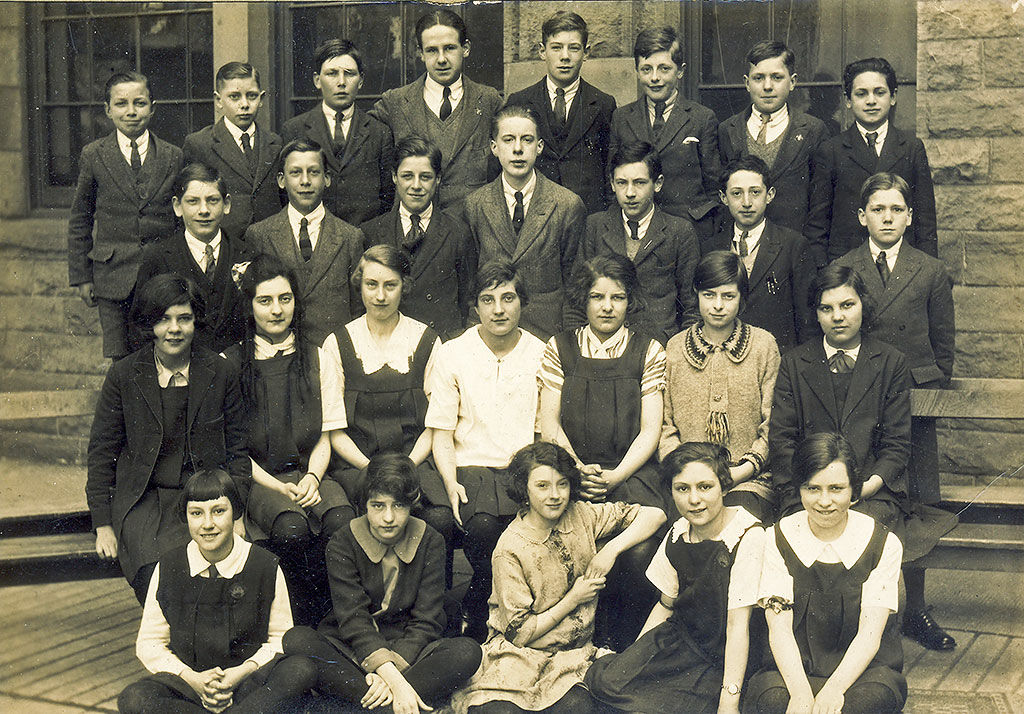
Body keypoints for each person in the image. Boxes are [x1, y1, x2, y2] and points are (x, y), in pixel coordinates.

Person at [834, 172, 958, 651]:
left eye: (896, 209)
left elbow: (943, 353)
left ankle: (918, 611)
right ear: (862, 216)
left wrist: (915, 386)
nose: (887, 218)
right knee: (860, 502)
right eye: (878, 209)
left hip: (911, 407)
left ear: (910, 216)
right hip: (858, 405)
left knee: (917, 507)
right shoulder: (845, 267)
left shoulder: (929, 270)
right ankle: (855, 611)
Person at [452, 442, 665, 714]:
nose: (554, 495)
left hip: (572, 653)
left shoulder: (581, 514)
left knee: (578, 706)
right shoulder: (510, 548)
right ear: (524, 491)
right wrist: (574, 599)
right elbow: (520, 634)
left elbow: (654, 514)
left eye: (562, 484)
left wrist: (609, 551)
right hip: (520, 654)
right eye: (542, 486)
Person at [86, 274, 249, 604]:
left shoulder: (220, 372)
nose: (174, 329)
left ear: (195, 321)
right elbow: (102, 451)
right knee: (155, 580)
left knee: (209, 580)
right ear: (149, 324)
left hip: (201, 496)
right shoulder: (124, 375)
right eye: (163, 320)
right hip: (143, 500)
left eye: (184, 319)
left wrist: (239, 513)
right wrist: (102, 523)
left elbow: (238, 450)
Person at [282, 454, 482, 714]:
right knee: (297, 639)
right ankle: (395, 704)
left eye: (398, 505)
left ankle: (371, 704)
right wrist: (392, 679)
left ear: (412, 504)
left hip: (409, 650)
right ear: (364, 505)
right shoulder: (343, 541)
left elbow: (427, 620)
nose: (388, 517)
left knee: (468, 651)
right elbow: (353, 620)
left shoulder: (430, 540)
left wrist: (391, 672)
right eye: (378, 506)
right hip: (354, 646)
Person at [539, 254, 668, 649]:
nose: (607, 307)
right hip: (571, 472)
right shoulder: (559, 347)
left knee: (640, 550)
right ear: (584, 300)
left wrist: (616, 476)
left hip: (630, 473)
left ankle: (625, 645)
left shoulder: (649, 350)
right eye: (597, 297)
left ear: (631, 301)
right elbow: (549, 422)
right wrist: (575, 470)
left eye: (618, 297)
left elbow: (650, 429)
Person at [586, 442, 765, 714]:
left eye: (705, 487)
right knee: (607, 683)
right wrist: (633, 657)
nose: (694, 499)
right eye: (682, 489)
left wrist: (730, 699)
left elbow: (737, 626)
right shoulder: (678, 532)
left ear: (724, 487)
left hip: (722, 654)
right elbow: (666, 604)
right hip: (680, 644)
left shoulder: (746, 535)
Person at [117, 469, 316, 714]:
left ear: (236, 513)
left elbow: (279, 639)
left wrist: (240, 673)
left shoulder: (265, 565)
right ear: (186, 517)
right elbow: (150, 642)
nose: (208, 524)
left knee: (299, 670)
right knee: (134, 698)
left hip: (247, 683)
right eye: (196, 513)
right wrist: (192, 679)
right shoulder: (169, 567)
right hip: (191, 685)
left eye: (219, 511)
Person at [225, 253, 354, 626]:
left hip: (310, 474)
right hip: (260, 480)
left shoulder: (317, 358)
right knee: (292, 530)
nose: (276, 310)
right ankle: (300, 625)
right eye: (264, 301)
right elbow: (234, 451)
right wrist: (280, 489)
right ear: (250, 307)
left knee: (343, 520)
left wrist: (313, 477)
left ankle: (340, 622)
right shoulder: (231, 364)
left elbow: (326, 433)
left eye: (285, 298)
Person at [425, 261, 547, 641]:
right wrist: (449, 481)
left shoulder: (542, 353)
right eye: (488, 299)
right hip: (468, 467)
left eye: (508, 298)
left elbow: (545, 431)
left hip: (520, 470)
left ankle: (478, 602)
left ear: (521, 303)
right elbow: (441, 432)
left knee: (497, 529)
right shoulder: (453, 353)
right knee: (478, 526)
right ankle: (476, 608)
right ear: (475, 307)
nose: (499, 309)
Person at [745, 433, 907, 714]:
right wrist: (800, 695)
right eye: (812, 488)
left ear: (853, 490)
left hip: (861, 673)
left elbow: (870, 634)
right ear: (800, 489)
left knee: (862, 704)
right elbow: (780, 629)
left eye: (836, 488)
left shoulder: (882, 543)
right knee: (772, 702)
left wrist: (833, 691)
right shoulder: (778, 538)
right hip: (793, 672)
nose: (824, 501)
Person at [324, 244, 455, 584]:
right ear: (360, 285)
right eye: (371, 285)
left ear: (404, 286)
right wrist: (372, 471)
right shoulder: (338, 342)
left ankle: (431, 610)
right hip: (357, 465)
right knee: (341, 521)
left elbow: (436, 421)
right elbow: (334, 428)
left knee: (439, 518)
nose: (380, 296)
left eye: (390, 285)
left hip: (413, 461)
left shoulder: (426, 340)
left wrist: (407, 467)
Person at [769, 266, 911, 536]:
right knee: (800, 532)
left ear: (863, 305)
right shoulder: (795, 363)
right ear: (816, 313)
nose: (838, 317)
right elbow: (782, 438)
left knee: (863, 533)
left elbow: (897, 444)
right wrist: (812, 488)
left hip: (870, 491)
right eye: (826, 308)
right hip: (807, 491)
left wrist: (863, 487)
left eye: (847, 305)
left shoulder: (891, 363)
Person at [68, 71, 183, 360]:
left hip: (160, 274)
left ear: (152, 107)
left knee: (162, 352)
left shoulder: (173, 156)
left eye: (139, 103)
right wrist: (83, 277)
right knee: (121, 358)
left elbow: (182, 219)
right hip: (111, 277)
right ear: (108, 110)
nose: (131, 112)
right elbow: (81, 218)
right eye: (121, 104)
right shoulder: (94, 155)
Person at [661, 251, 781, 523]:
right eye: (709, 295)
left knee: (736, 523)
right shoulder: (675, 349)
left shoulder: (764, 346)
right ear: (696, 293)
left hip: (747, 479)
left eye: (728, 296)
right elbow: (664, 426)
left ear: (742, 298)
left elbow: (773, 425)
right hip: (686, 479)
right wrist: (688, 474)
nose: (718, 305)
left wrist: (741, 470)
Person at [463, 105, 586, 340]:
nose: (517, 149)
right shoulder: (475, 205)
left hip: (547, 335)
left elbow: (574, 285)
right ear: (494, 147)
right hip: (490, 334)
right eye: (508, 140)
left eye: (527, 140)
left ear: (539, 147)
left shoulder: (566, 205)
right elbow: (470, 280)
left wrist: (568, 342)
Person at [806, 57, 938, 265]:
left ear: (893, 97)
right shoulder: (831, 150)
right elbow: (818, 225)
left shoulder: (911, 149)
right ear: (848, 100)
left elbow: (926, 222)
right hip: (846, 266)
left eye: (879, 92)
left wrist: (928, 273)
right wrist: (826, 275)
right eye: (861, 94)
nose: (871, 101)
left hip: (901, 264)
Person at [370, 8, 503, 211]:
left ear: (465, 48)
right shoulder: (395, 102)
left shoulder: (488, 101)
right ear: (420, 52)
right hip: (414, 231)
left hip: (472, 230)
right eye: (432, 50)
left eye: (449, 48)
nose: (441, 59)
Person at [243, 138, 364, 345]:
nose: (305, 181)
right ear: (281, 180)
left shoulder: (350, 237)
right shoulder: (259, 235)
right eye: (296, 172)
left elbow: (358, 310)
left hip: (333, 355)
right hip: (279, 354)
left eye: (313, 172)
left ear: (327, 179)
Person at [577, 140, 700, 343]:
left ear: (658, 183)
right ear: (611, 183)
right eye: (622, 183)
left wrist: (679, 352)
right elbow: (577, 297)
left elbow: (692, 306)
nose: (630, 193)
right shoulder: (595, 226)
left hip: (660, 348)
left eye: (640, 182)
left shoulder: (679, 231)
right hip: (603, 347)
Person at [360, 135, 478, 338]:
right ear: (394, 177)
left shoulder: (458, 232)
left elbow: (468, 298)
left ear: (438, 179)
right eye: (407, 176)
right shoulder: (371, 232)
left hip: (442, 345)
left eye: (425, 177)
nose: (416, 185)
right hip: (389, 343)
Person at [610, 26, 721, 239]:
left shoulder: (701, 118)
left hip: (688, 230)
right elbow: (612, 181)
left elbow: (714, 187)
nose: (654, 78)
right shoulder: (622, 118)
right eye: (646, 69)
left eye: (664, 69)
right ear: (637, 71)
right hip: (636, 230)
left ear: (680, 70)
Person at [505, 10, 616, 215]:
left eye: (574, 48)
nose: (565, 57)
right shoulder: (519, 101)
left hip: (588, 215)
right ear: (542, 51)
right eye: (556, 48)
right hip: (536, 215)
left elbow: (610, 168)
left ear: (586, 52)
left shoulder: (603, 104)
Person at [704, 155, 815, 352]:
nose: (746, 202)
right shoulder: (710, 247)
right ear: (723, 198)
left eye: (755, 192)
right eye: (737, 193)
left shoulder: (793, 245)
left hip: (776, 358)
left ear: (770, 194)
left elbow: (806, 320)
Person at [135, 163, 250, 354]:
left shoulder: (246, 254)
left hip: (235, 373)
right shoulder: (157, 257)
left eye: (212, 200)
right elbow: (141, 326)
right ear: (177, 206)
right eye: (193, 201)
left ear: (227, 204)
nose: (203, 210)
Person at [717, 41, 828, 236]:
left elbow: (820, 202)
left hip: (795, 244)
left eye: (777, 77)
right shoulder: (728, 130)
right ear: (746, 83)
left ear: (792, 82)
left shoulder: (812, 130)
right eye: (758, 78)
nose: (767, 86)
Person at [282, 39, 395, 226]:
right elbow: (285, 196)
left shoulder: (379, 132)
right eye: (332, 74)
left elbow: (387, 196)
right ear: (317, 80)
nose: (341, 82)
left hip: (365, 238)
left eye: (349, 74)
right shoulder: (294, 129)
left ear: (361, 81)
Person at [182, 62, 283, 238]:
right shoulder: (200, 144)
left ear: (262, 99)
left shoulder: (274, 142)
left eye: (251, 96)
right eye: (234, 97)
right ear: (218, 100)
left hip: (271, 244)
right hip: (224, 245)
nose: (244, 104)